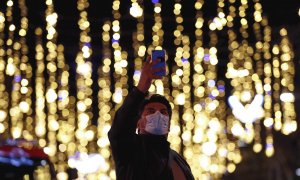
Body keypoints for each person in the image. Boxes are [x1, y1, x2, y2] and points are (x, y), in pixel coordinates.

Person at [108, 56, 195, 180]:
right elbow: (120, 128)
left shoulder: (177, 159)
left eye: (164, 112)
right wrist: (141, 88)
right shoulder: (131, 151)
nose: (158, 115)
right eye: (151, 111)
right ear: (138, 124)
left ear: (169, 125)